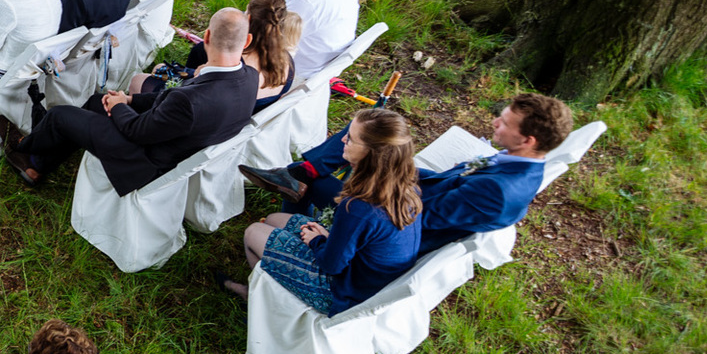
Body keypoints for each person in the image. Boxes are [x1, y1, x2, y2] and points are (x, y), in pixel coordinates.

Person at [240, 93, 574, 254]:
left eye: (504, 123)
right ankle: (298, 175)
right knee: (369, 128)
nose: (495, 124)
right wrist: (398, 164)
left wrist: (383, 177)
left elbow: (417, 219)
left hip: (390, 217)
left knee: (332, 170)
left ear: (528, 140)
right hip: (407, 194)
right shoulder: (518, 161)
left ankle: (298, 182)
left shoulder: (499, 192)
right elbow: (444, 185)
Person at [2, 8, 260, 193]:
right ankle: (38, 164)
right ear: (247, 41)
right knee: (95, 102)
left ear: (206, 37)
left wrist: (118, 106)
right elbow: (168, 101)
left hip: (147, 161)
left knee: (61, 116)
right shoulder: (249, 78)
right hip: (175, 141)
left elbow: (139, 132)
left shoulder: (189, 100)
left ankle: (23, 150)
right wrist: (129, 99)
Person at [222, 109, 423, 313]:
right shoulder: (406, 187)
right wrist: (329, 237)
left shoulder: (358, 207)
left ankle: (260, 304)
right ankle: (267, 287)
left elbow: (331, 266)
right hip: (365, 276)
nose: (343, 138)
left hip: (341, 293)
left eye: (351, 138)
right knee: (273, 219)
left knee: (253, 232)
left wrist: (317, 240)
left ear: (373, 153)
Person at [160, 0, 297, 109]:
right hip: (241, 119)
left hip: (203, 108)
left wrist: (202, 71)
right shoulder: (287, 62)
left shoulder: (234, 64)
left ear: (247, 18)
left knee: (157, 70)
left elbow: (195, 90)